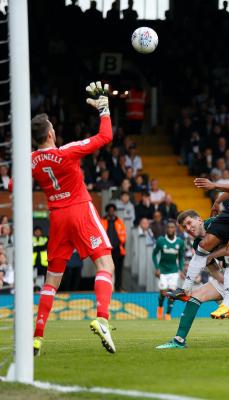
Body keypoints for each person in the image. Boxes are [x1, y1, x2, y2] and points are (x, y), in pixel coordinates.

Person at [30, 82, 116, 354]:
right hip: (79, 209)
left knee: (51, 281)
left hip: (56, 219)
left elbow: (12, 186)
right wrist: (104, 111)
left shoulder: (30, 161)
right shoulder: (66, 152)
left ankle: (37, 337)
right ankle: (102, 317)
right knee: (106, 264)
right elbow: (105, 137)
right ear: (51, 133)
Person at [171, 123, 229, 321]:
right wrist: (218, 200)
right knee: (205, 244)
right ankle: (185, 289)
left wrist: (214, 186)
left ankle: (227, 302)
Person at [156, 210, 229, 348]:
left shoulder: (217, 223)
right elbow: (213, 268)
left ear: (199, 220)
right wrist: (222, 282)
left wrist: (209, 255)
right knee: (196, 296)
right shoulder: (198, 243)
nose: (188, 228)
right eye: (184, 227)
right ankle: (179, 340)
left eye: (189, 223)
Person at [152, 221, 185, 320]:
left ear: (175, 229)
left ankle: (168, 314)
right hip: (162, 270)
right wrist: (157, 267)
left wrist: (181, 269)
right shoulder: (161, 241)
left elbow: (181, 257)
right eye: (169, 227)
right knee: (163, 291)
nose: (170, 229)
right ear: (166, 229)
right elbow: (154, 254)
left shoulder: (180, 242)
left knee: (172, 292)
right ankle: (160, 307)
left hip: (174, 271)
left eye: (172, 227)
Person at [101, 204, 126, 292]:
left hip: (117, 250)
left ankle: (118, 288)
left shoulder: (119, 222)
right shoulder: (102, 221)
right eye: (109, 210)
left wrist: (120, 245)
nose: (111, 211)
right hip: (106, 250)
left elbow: (123, 236)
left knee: (118, 270)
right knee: (106, 270)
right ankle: (106, 288)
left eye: (113, 210)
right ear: (107, 211)